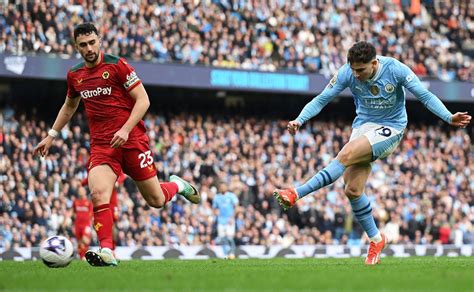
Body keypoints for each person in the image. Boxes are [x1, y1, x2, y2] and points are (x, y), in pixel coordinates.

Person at [273, 41, 471, 265]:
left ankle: (296, 193)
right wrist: (300, 120)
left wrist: (448, 117)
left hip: (391, 128)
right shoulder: (347, 72)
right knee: (353, 190)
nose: (355, 75)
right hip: (363, 126)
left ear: (374, 63)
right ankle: (377, 239)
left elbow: (424, 96)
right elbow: (322, 99)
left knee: (345, 155)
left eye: (361, 70)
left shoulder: (396, 70)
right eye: (353, 69)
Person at [33, 23, 201, 267]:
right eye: (83, 45)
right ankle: (107, 251)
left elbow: (143, 100)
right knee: (99, 193)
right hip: (102, 146)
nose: (89, 48)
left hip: (132, 140)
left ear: (99, 40)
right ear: (76, 47)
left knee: (156, 200)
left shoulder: (117, 66)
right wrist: (51, 135)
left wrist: (125, 128)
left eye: (92, 42)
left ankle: (177, 184)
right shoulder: (75, 75)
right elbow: (70, 106)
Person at [212, 183, 239, 259]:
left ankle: (232, 252)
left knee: (230, 237)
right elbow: (214, 208)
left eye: (224, 186)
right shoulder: (217, 197)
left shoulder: (231, 196)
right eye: (221, 187)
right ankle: (226, 254)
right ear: (219, 188)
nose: (223, 188)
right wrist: (215, 212)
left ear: (226, 187)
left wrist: (232, 217)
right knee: (222, 238)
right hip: (221, 220)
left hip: (229, 220)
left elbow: (236, 206)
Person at [73, 185, 93, 260]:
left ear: (85, 192)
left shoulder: (88, 202)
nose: (80, 192)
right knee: (79, 242)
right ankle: (82, 257)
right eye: (79, 190)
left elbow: (91, 214)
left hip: (86, 225)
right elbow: (74, 212)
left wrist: (90, 223)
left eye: (81, 190)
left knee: (85, 240)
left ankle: (86, 254)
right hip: (78, 225)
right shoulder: (76, 202)